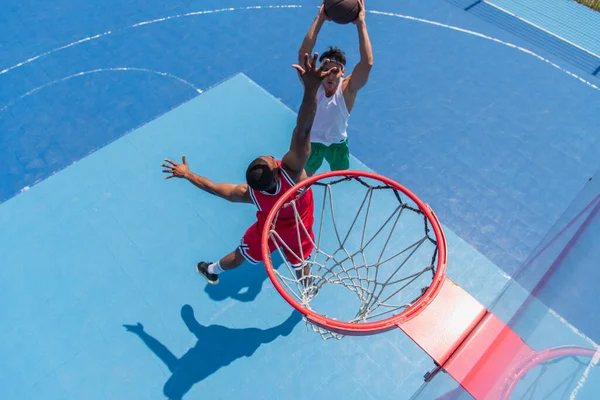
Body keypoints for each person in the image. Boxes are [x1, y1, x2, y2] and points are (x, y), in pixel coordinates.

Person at [161, 53, 337, 286]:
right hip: (299, 228)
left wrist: (187, 174)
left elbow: (213, 188)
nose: (272, 156)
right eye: (271, 159)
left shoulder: (249, 194)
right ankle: (307, 288)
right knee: (300, 261)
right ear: (276, 171)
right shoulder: (293, 173)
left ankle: (211, 270)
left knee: (241, 254)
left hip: (269, 229)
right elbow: (303, 130)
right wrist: (310, 90)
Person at [298, 0, 374, 176]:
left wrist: (361, 23)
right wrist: (320, 18)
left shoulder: (348, 90)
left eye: (334, 71)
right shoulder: (313, 84)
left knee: (340, 177)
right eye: (325, 70)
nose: (330, 75)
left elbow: (367, 63)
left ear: (342, 73)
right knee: (303, 180)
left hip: (337, 144)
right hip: (312, 142)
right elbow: (303, 55)